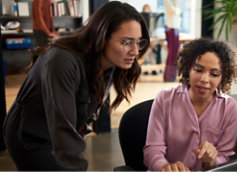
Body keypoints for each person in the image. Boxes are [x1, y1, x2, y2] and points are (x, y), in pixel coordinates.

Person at [3, 1, 149, 170]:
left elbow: (82, 119)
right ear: (101, 36)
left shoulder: (109, 63)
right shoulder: (61, 60)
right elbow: (63, 129)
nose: (135, 51)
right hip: (31, 135)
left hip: (58, 130)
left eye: (139, 42)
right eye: (126, 42)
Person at [143, 39, 237, 171]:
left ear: (222, 77)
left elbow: (225, 157)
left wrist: (212, 160)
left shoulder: (230, 108)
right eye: (198, 70)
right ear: (189, 68)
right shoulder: (164, 99)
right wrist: (164, 166)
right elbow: (152, 150)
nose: (204, 79)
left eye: (214, 74)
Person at [164, 0, 181, 82]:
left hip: (176, 28)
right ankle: (168, 77)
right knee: (172, 54)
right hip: (171, 28)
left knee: (175, 54)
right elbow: (174, 11)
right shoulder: (168, 1)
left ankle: (172, 77)